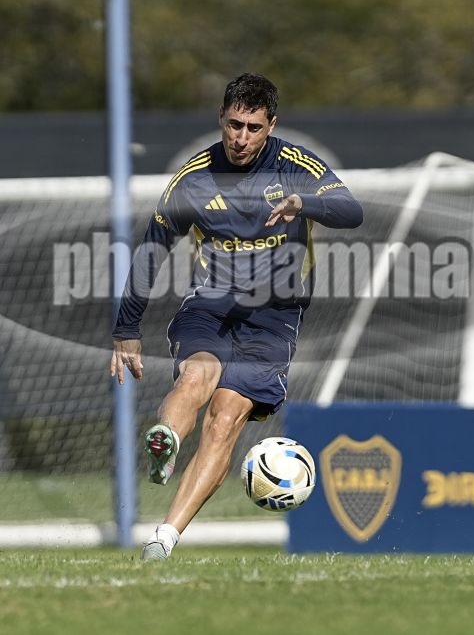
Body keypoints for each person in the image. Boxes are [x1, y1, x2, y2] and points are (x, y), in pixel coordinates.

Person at [110, 72, 363, 560]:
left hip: (275, 317)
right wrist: (126, 328)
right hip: (210, 303)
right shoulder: (194, 178)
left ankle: (163, 538)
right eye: (233, 125)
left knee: (225, 418)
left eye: (252, 127)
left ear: (271, 126)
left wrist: (304, 204)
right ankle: (166, 439)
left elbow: (351, 211)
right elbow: (151, 250)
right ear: (220, 119)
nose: (241, 138)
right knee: (195, 377)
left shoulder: (296, 167)